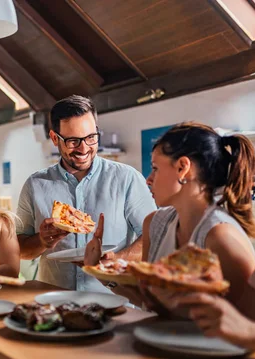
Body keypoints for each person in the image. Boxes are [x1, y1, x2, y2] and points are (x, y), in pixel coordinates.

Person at [86, 122, 255, 314]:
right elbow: (150, 302)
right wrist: (98, 270)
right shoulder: (155, 224)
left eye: (155, 168)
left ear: (183, 168)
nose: (148, 179)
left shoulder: (221, 236)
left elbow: (250, 327)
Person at [17, 95, 156, 291]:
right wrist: (41, 240)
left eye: (91, 138)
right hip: (55, 302)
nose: (84, 148)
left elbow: (153, 235)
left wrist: (116, 260)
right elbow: (21, 249)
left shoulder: (127, 178)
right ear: (55, 138)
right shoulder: (35, 185)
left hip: (114, 300)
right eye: (73, 141)